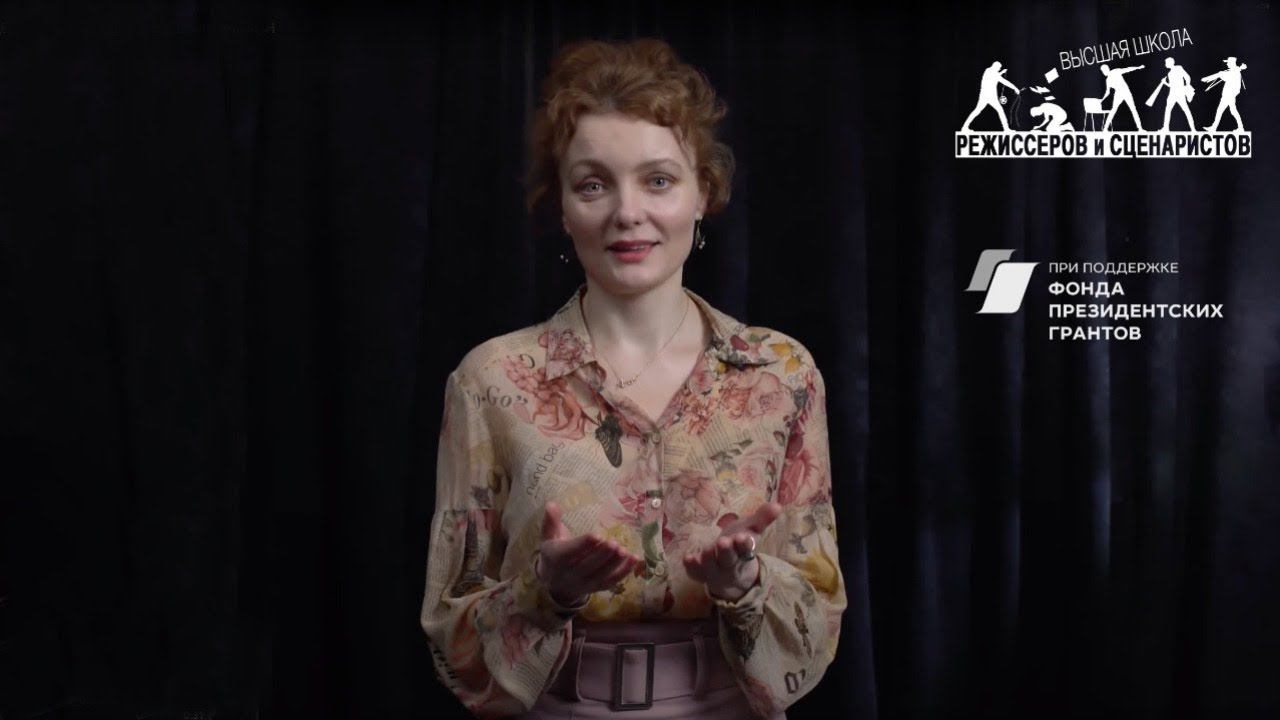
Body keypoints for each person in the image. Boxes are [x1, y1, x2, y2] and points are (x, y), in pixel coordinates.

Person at [419, 38, 846, 720]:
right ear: (563, 207)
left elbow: (819, 613)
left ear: (703, 193)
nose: (626, 212)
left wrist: (746, 583)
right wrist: (546, 590)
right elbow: (452, 635)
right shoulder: (492, 379)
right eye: (593, 184)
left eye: (658, 180)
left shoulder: (782, 371)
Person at [961, 61, 1021, 131]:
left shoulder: (987, 71)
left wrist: (1001, 72)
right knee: (1000, 111)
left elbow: (995, 76)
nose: (999, 69)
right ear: (996, 66)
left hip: (984, 96)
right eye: (999, 68)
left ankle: (964, 127)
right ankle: (1006, 129)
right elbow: (1004, 81)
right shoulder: (994, 73)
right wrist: (1015, 88)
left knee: (977, 111)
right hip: (991, 97)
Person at [1201, 56, 1247, 131]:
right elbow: (1222, 74)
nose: (1227, 64)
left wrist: (1207, 78)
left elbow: (1223, 75)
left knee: (1223, 111)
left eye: (1228, 63)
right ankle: (1240, 127)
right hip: (1227, 96)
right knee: (1232, 111)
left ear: (1232, 63)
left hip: (1229, 96)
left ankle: (1214, 127)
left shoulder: (1235, 72)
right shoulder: (1233, 71)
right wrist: (1208, 78)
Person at [1149, 57, 1194, 132]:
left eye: (1166, 63)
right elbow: (1172, 85)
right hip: (1172, 94)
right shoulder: (1169, 73)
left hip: (1179, 93)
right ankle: (1166, 128)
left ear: (1170, 63)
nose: (1165, 64)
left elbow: (1187, 77)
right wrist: (1165, 83)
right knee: (1168, 110)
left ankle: (1193, 129)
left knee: (1186, 110)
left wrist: (1187, 86)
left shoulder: (1179, 68)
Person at [1099, 63, 1145, 131]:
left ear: (1107, 69)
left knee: (1133, 109)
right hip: (1118, 93)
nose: (1103, 72)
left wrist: (1138, 67)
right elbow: (1107, 92)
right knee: (1113, 110)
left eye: (1103, 70)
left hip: (1126, 92)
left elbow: (1127, 69)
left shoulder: (1115, 71)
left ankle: (1140, 129)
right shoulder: (1108, 80)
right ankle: (1105, 128)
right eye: (1102, 71)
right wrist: (1102, 99)